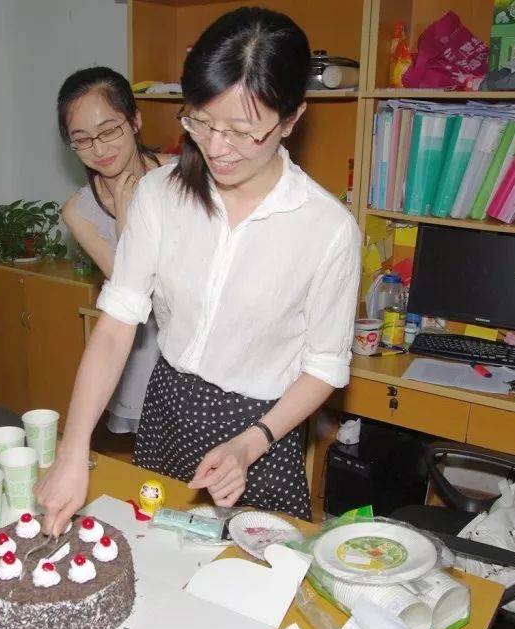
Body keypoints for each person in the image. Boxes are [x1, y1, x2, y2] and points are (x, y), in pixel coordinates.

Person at [36, 7, 361, 535]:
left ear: (292, 119)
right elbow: (118, 326)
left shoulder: (326, 229)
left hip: (260, 429)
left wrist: (251, 441)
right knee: (153, 567)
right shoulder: (159, 196)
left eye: (242, 131)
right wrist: (74, 450)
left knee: (249, 590)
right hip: (167, 407)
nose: (215, 148)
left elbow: (324, 367)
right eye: (201, 121)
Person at [56, 66, 170, 433]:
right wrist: (125, 219)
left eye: (109, 131)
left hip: (197, 353)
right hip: (142, 349)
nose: (99, 149)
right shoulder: (78, 211)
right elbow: (134, 291)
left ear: (135, 120)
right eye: (83, 139)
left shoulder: (180, 176)